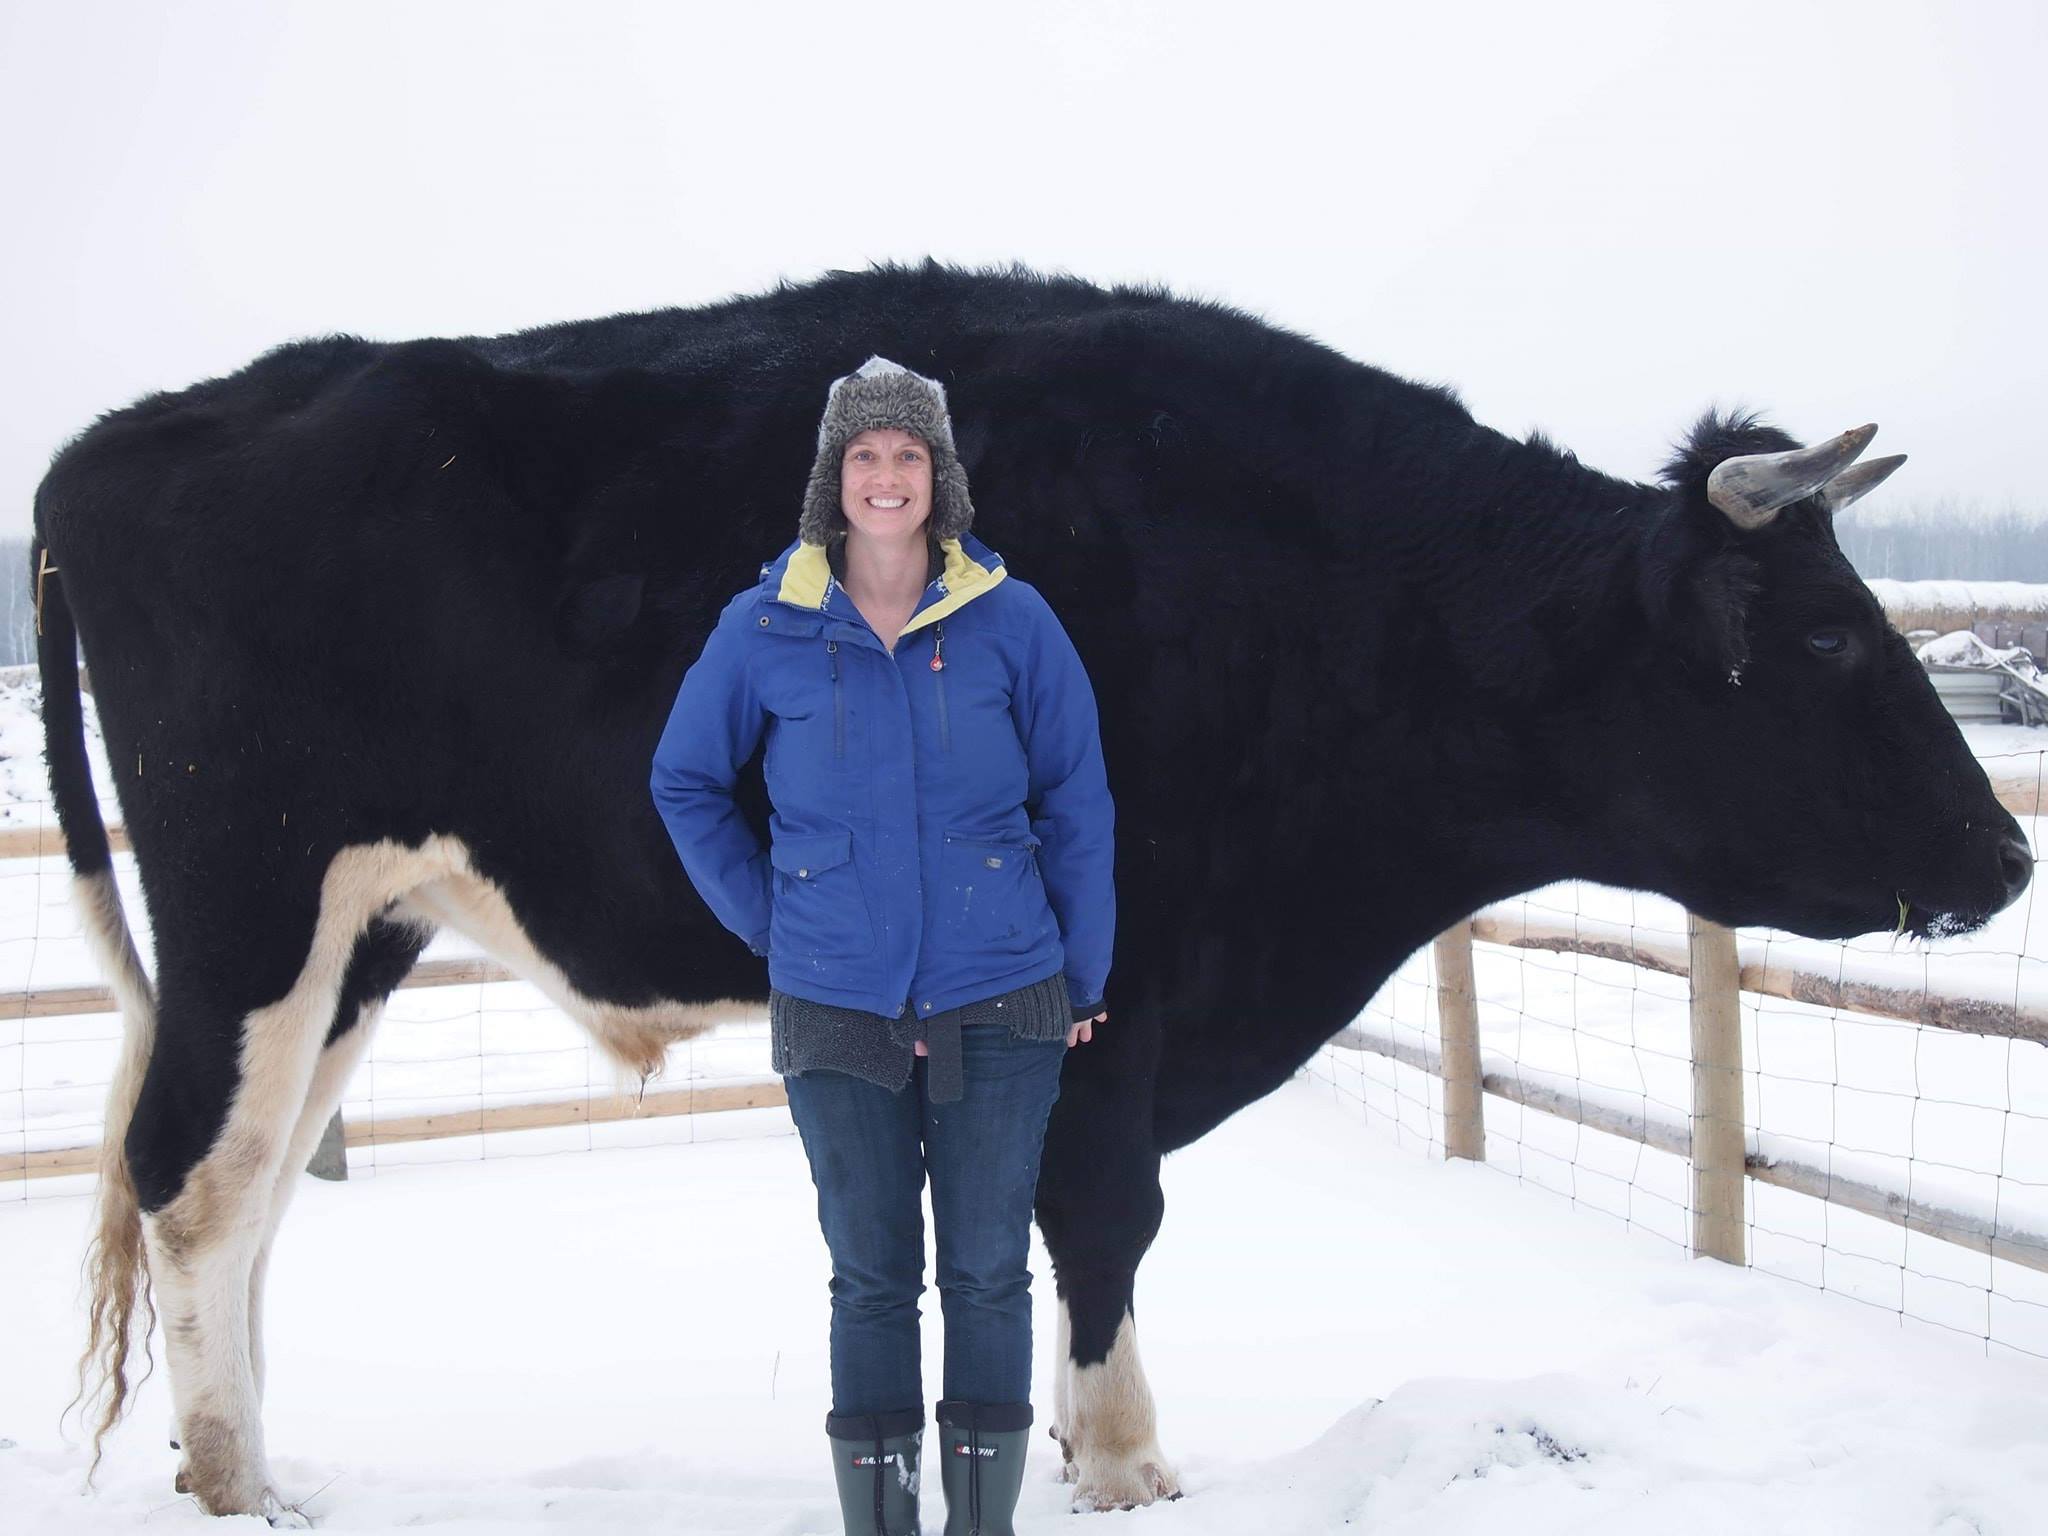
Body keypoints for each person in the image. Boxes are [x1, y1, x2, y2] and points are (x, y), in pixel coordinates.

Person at [650, 356, 1113, 1535]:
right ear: (832, 478)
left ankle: (979, 1522)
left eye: (908, 453)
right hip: (835, 1006)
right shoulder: (766, 626)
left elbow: (1075, 798)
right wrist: (776, 921)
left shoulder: (1011, 620)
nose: (886, 474)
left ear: (939, 474)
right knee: (869, 1282)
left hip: (1002, 998)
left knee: (987, 1273)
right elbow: (687, 780)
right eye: (864, 455)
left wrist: (1084, 970)